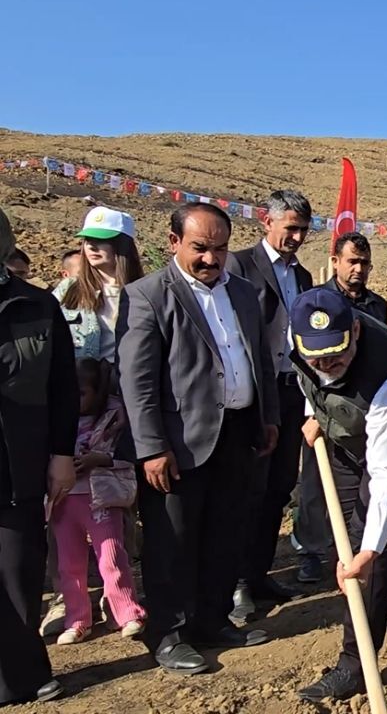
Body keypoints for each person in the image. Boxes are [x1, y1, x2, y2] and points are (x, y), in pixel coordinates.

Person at [117, 202, 280, 675]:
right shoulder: (147, 295)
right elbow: (137, 381)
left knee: (225, 533)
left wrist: (267, 416)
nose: (212, 259)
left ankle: (212, 620)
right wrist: (150, 447)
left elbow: (260, 361)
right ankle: (169, 634)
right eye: (200, 248)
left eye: (221, 249)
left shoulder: (245, 294)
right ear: (174, 244)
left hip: (237, 432)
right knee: (173, 541)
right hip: (176, 442)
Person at [290, 288, 387, 702]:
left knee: (365, 542)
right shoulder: (303, 341)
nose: (327, 366)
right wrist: (315, 413)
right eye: (316, 358)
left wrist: (369, 551)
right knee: (344, 523)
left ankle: (355, 665)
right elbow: (312, 379)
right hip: (345, 432)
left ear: (355, 329)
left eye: (337, 355)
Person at [225, 190, 314, 622]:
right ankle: (237, 581)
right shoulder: (238, 267)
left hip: (290, 390)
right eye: (290, 227)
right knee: (247, 489)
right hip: (253, 395)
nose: (295, 237)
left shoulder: (304, 276)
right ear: (267, 221)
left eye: (302, 230)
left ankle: (259, 574)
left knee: (279, 486)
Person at [0, 207, 77, 705]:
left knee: (18, 572)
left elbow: (63, 387)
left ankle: (20, 676)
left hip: (18, 465)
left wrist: (61, 454)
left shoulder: (36, 306)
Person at [295, 231, 387, 583]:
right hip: (322, 408)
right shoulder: (315, 303)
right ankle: (310, 551)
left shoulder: (375, 305)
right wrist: (312, 413)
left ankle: (353, 548)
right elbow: (305, 361)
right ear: (335, 261)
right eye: (352, 261)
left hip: (361, 409)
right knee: (316, 485)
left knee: (360, 482)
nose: (358, 269)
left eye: (364, 263)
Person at [50, 358, 146, 644]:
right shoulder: (54, 417)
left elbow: (127, 453)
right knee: (70, 563)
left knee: (112, 557)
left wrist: (98, 460)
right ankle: (77, 619)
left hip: (102, 497)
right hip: (63, 500)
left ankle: (127, 612)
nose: (74, 399)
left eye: (81, 393)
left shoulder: (115, 416)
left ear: (98, 391)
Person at [53, 206, 146, 361]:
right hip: (77, 382)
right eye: (87, 240)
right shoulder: (68, 288)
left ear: (122, 245)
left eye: (101, 240)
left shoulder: (145, 294)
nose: (91, 246)